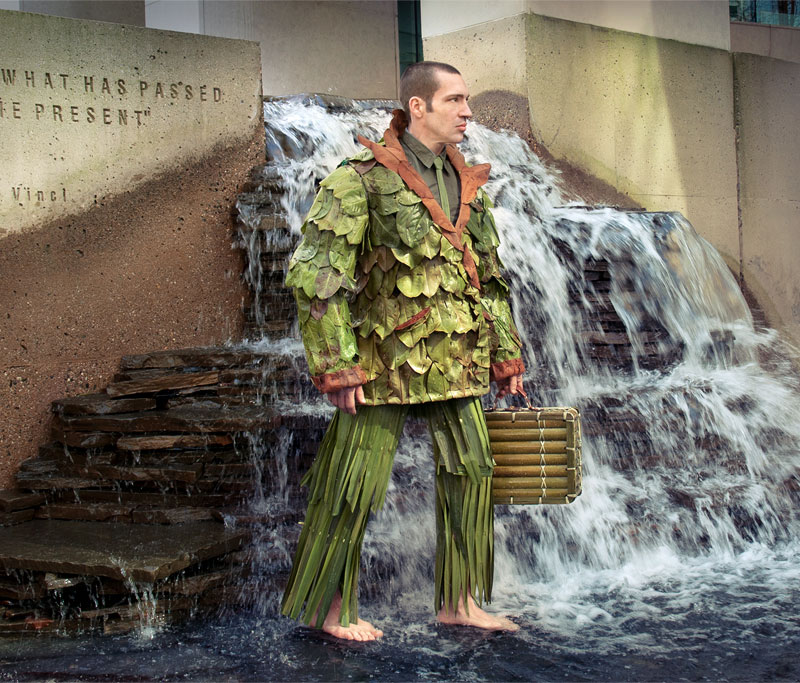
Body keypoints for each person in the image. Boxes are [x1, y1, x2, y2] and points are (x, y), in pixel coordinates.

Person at [281, 61, 525, 641]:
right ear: (419, 107)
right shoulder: (360, 178)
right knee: (352, 482)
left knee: (472, 470)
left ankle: (459, 603)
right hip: (383, 363)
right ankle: (327, 607)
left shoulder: (469, 185)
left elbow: (489, 279)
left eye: (467, 102)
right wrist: (337, 365)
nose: (468, 112)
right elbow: (318, 273)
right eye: (456, 100)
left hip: (459, 359)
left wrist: (505, 355)